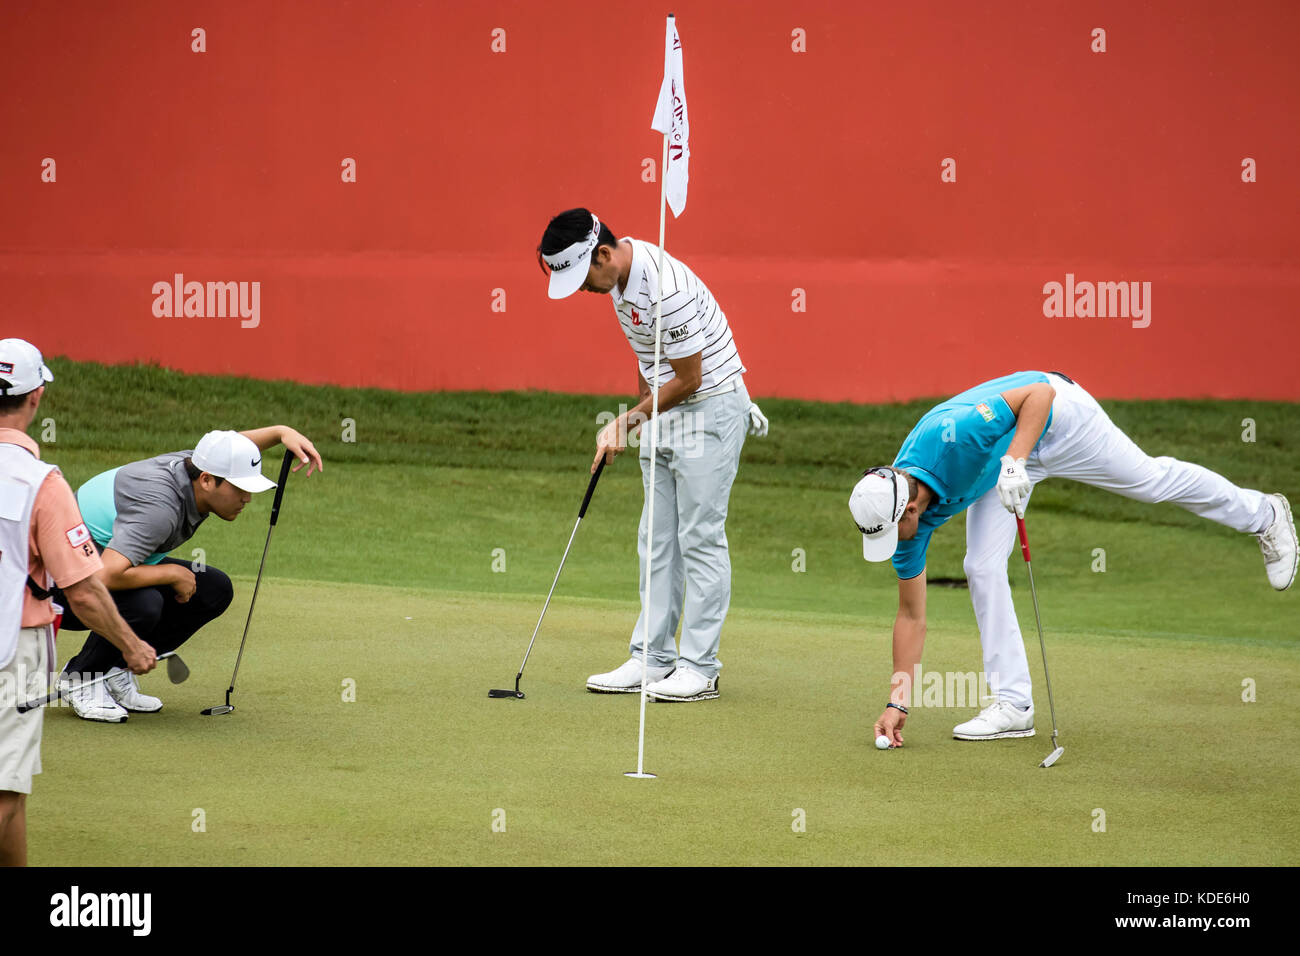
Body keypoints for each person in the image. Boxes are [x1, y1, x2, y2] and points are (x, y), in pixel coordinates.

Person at [849, 370, 1297, 748]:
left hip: (1058, 420)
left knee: (1149, 481)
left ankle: (1264, 514)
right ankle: (1014, 705)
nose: (895, 543)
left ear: (907, 509)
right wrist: (897, 701)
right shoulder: (906, 519)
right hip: (1003, 460)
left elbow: (1038, 395)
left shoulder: (953, 436)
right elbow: (910, 616)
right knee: (981, 566)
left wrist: (1015, 462)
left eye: (892, 533)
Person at [536, 208, 768, 701]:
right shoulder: (617, 286)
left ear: (602, 254)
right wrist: (642, 421)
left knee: (699, 536)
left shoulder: (666, 288)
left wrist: (625, 421)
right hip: (666, 412)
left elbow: (691, 377)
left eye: (582, 279)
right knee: (656, 537)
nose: (582, 290)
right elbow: (649, 360)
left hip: (711, 409)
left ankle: (700, 668)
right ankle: (652, 658)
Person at [0, 339, 156, 866]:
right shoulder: (41, 483)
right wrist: (131, 647)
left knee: (12, 794)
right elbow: (86, 590)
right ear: (36, 397)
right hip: (11, 651)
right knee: (3, 792)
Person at [54, 426, 323, 722]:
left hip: (101, 561)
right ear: (207, 481)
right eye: (240, 488)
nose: (247, 498)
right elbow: (104, 577)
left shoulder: (196, 467)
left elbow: (229, 448)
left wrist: (280, 432)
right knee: (146, 604)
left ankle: (114, 669)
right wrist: (170, 573)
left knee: (214, 589)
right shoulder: (160, 508)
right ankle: (81, 677)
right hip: (60, 587)